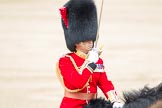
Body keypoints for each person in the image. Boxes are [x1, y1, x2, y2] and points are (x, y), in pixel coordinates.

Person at [56, 0, 123, 108]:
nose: (91, 43)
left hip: (93, 105)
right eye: (86, 40)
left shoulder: (97, 60)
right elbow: (77, 83)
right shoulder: (65, 61)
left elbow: (104, 82)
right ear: (76, 42)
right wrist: (90, 64)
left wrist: (114, 100)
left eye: (91, 39)